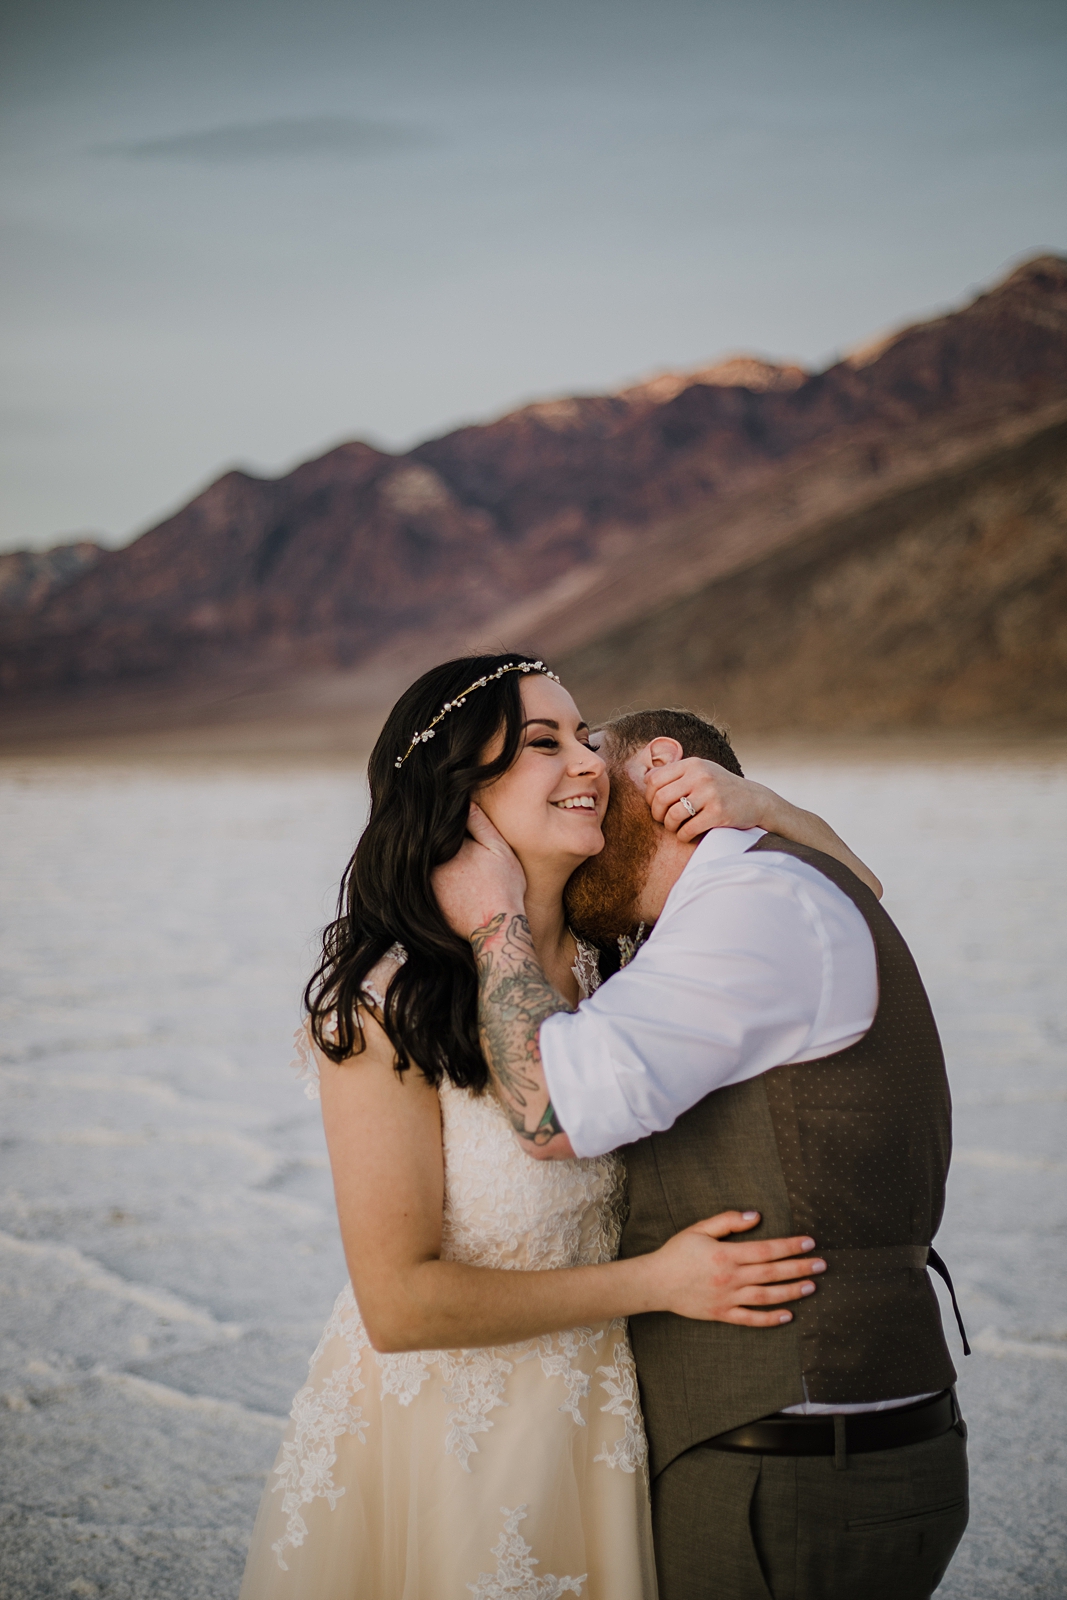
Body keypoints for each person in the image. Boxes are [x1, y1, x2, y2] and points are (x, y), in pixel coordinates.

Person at [239, 655, 883, 1600]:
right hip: (450, 1443)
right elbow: (399, 1304)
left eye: (585, 736)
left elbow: (851, 903)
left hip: (602, 1426)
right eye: (544, 742)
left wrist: (765, 809)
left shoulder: (619, 963)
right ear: (459, 792)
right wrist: (659, 1283)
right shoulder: (383, 1008)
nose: (589, 761)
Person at [434, 704, 970, 1600]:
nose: (586, 813)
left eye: (599, 780)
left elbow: (552, 1115)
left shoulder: (754, 903)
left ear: (665, 771)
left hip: (791, 1465)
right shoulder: (769, 887)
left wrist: (493, 922)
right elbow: (862, 881)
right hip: (808, 1449)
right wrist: (772, 808)